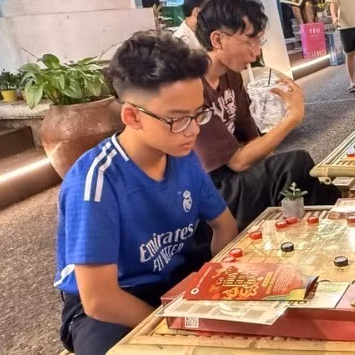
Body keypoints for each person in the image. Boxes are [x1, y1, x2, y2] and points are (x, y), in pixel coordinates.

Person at [54, 31, 239, 355]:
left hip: (171, 278)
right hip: (110, 305)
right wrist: (173, 329)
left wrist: (214, 287)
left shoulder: (183, 157)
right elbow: (99, 299)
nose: (194, 129)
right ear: (132, 116)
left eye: (199, 113)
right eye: (178, 119)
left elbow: (224, 225)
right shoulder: (97, 181)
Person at [194, 0, 341, 231]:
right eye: (249, 41)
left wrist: (273, 168)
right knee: (296, 163)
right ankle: (337, 221)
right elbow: (238, 162)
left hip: (234, 179)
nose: (256, 51)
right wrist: (292, 117)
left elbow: (253, 138)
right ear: (218, 40)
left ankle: (329, 220)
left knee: (295, 172)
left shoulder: (231, 76)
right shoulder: (192, 88)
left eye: (259, 41)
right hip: (209, 193)